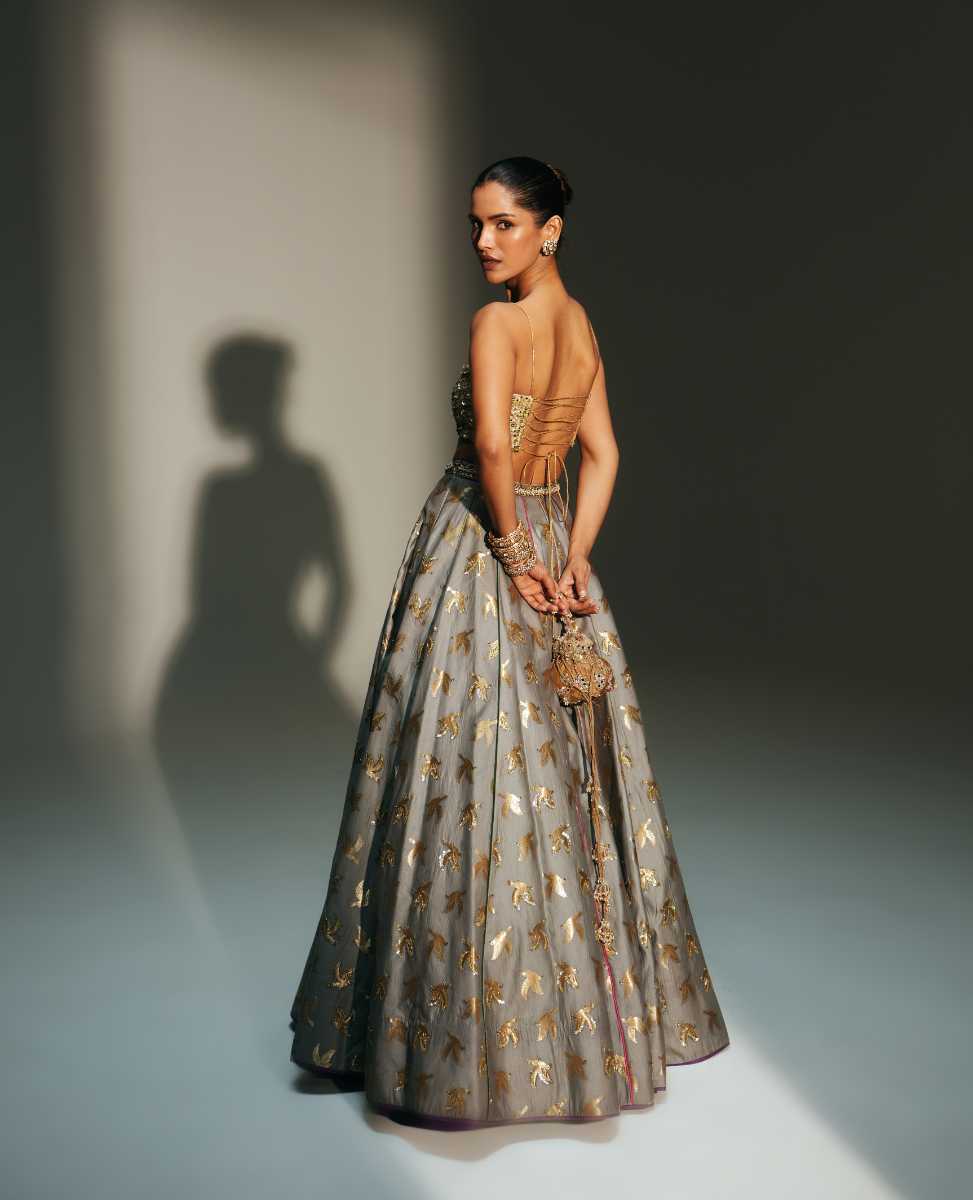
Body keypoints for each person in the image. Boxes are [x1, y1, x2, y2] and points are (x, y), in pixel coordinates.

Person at [289, 156, 731, 1128]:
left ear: (549, 230)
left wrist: (513, 552)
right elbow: (603, 454)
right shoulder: (581, 328)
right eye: (476, 225)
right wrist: (571, 556)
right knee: (560, 774)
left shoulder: (498, 324)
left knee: (457, 766)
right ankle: (569, 1023)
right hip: (552, 540)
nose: (483, 242)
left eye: (502, 224)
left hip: (478, 543)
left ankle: (454, 1036)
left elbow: (491, 445)